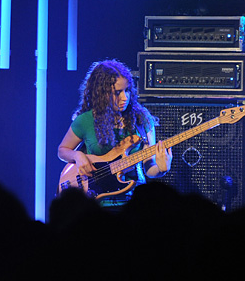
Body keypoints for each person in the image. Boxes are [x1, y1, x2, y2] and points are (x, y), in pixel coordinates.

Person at [57, 59, 172, 208]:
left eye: (127, 90)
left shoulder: (142, 119)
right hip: (96, 205)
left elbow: (149, 167)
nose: (125, 97)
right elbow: (62, 150)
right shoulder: (85, 121)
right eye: (117, 93)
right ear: (101, 94)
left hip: (134, 205)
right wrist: (78, 156)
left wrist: (161, 169)